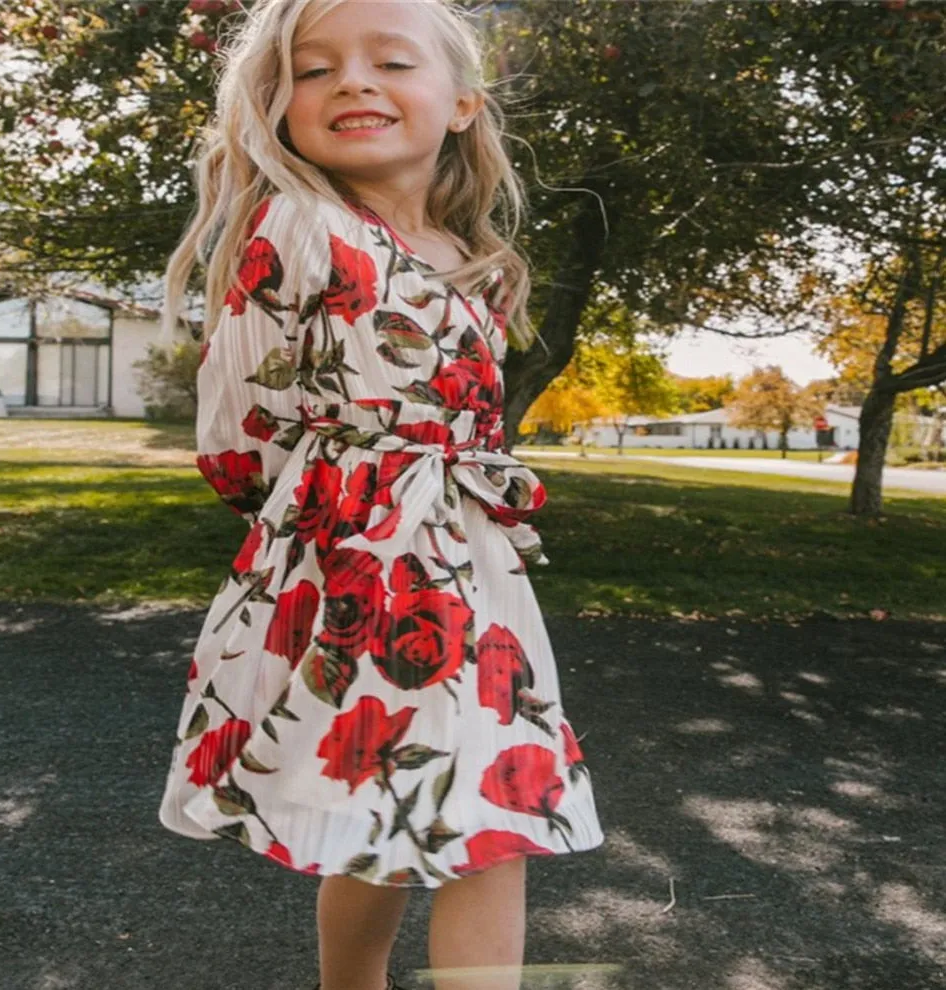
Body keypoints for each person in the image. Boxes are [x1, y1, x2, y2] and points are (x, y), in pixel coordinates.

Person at [156, 2, 605, 988]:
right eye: (313, 72)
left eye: (389, 61)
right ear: (280, 110)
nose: (350, 82)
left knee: (465, 811)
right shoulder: (304, 224)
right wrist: (332, 511)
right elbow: (238, 423)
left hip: (475, 575)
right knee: (433, 808)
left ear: (461, 104)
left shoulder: (473, 261)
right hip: (361, 566)